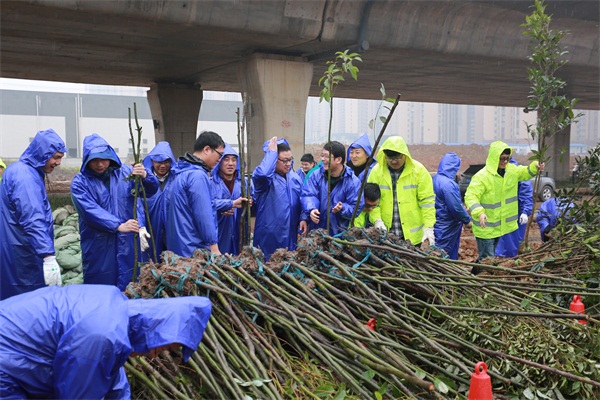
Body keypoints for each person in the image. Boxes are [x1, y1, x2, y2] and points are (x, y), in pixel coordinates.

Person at [0, 284, 212, 399]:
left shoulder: (118, 312)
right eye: (165, 346)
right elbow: (77, 394)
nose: (158, 354)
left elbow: (113, 378)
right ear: (157, 332)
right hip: (7, 360)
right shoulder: (103, 336)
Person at [71, 134, 159, 291]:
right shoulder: (80, 183)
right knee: (100, 287)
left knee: (130, 284)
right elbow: (89, 210)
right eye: (94, 160)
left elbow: (150, 191)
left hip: (128, 243)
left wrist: (145, 176)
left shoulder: (125, 173)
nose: (100, 164)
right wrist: (117, 225)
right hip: (98, 244)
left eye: (103, 159)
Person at [0, 129, 67, 300]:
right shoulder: (25, 178)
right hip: (23, 251)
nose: (58, 162)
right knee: (26, 302)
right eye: (56, 157)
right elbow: (33, 218)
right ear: (43, 153)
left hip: (16, 246)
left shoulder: (22, 171)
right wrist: (48, 255)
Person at [464, 141, 543, 266]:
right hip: (486, 228)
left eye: (507, 158)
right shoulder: (482, 176)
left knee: (487, 258)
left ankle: (478, 275)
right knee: (487, 259)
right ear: (494, 157)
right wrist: (479, 212)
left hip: (499, 228)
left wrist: (535, 167)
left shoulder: (511, 171)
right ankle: (481, 279)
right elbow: (470, 196)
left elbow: (525, 172)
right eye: (502, 158)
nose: (505, 161)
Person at [367, 136, 436, 246]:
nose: (394, 161)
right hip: (386, 235)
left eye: (398, 158)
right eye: (390, 158)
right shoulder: (377, 172)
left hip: (413, 237)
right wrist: (377, 220)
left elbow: (427, 202)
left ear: (405, 154)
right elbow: (372, 202)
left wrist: (428, 227)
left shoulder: (418, 171)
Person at [166, 131, 225, 256]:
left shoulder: (180, 173)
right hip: (193, 249)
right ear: (207, 149)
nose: (220, 160)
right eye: (220, 154)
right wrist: (213, 246)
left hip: (178, 246)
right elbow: (203, 214)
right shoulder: (197, 176)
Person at [253, 137, 307, 260]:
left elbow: (303, 199)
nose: (288, 164)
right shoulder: (265, 181)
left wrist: (303, 218)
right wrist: (271, 153)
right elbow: (263, 173)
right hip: (269, 238)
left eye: (290, 160)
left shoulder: (295, 178)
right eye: (284, 160)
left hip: (290, 236)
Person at [302, 141, 361, 236]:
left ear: (338, 160)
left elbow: (356, 208)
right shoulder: (315, 176)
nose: (323, 159)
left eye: (326, 156)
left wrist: (342, 208)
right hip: (317, 233)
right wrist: (311, 208)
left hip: (339, 235)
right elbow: (308, 195)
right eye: (322, 156)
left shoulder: (352, 182)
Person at [212, 143, 251, 255]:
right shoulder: (211, 183)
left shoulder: (244, 183)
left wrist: (251, 203)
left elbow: (256, 205)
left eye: (234, 160)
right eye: (226, 159)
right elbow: (206, 204)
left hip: (240, 232)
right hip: (219, 232)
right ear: (219, 162)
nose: (230, 163)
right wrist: (227, 205)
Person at [433, 152, 471, 259]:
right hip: (447, 226)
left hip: (438, 223)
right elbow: (456, 207)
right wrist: (467, 220)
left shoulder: (436, 179)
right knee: (445, 255)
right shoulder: (448, 184)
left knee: (437, 252)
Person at [142, 141, 176, 258]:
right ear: (152, 161)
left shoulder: (176, 180)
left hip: (172, 231)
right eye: (159, 162)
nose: (162, 166)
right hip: (151, 229)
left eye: (166, 162)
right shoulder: (143, 181)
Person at [495, 157, 534, 257]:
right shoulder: (499, 173)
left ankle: (508, 260)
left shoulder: (516, 173)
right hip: (503, 214)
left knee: (512, 240)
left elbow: (526, 194)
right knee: (502, 240)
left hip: (515, 214)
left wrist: (525, 212)